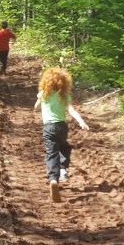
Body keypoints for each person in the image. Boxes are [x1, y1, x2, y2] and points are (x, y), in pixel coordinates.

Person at [34, 67, 89, 203]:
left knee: (51, 153)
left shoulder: (43, 93)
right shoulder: (64, 95)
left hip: (48, 128)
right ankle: (63, 169)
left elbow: (36, 107)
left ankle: (53, 179)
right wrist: (81, 121)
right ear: (63, 82)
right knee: (64, 147)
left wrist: (40, 105)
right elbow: (71, 110)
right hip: (61, 127)